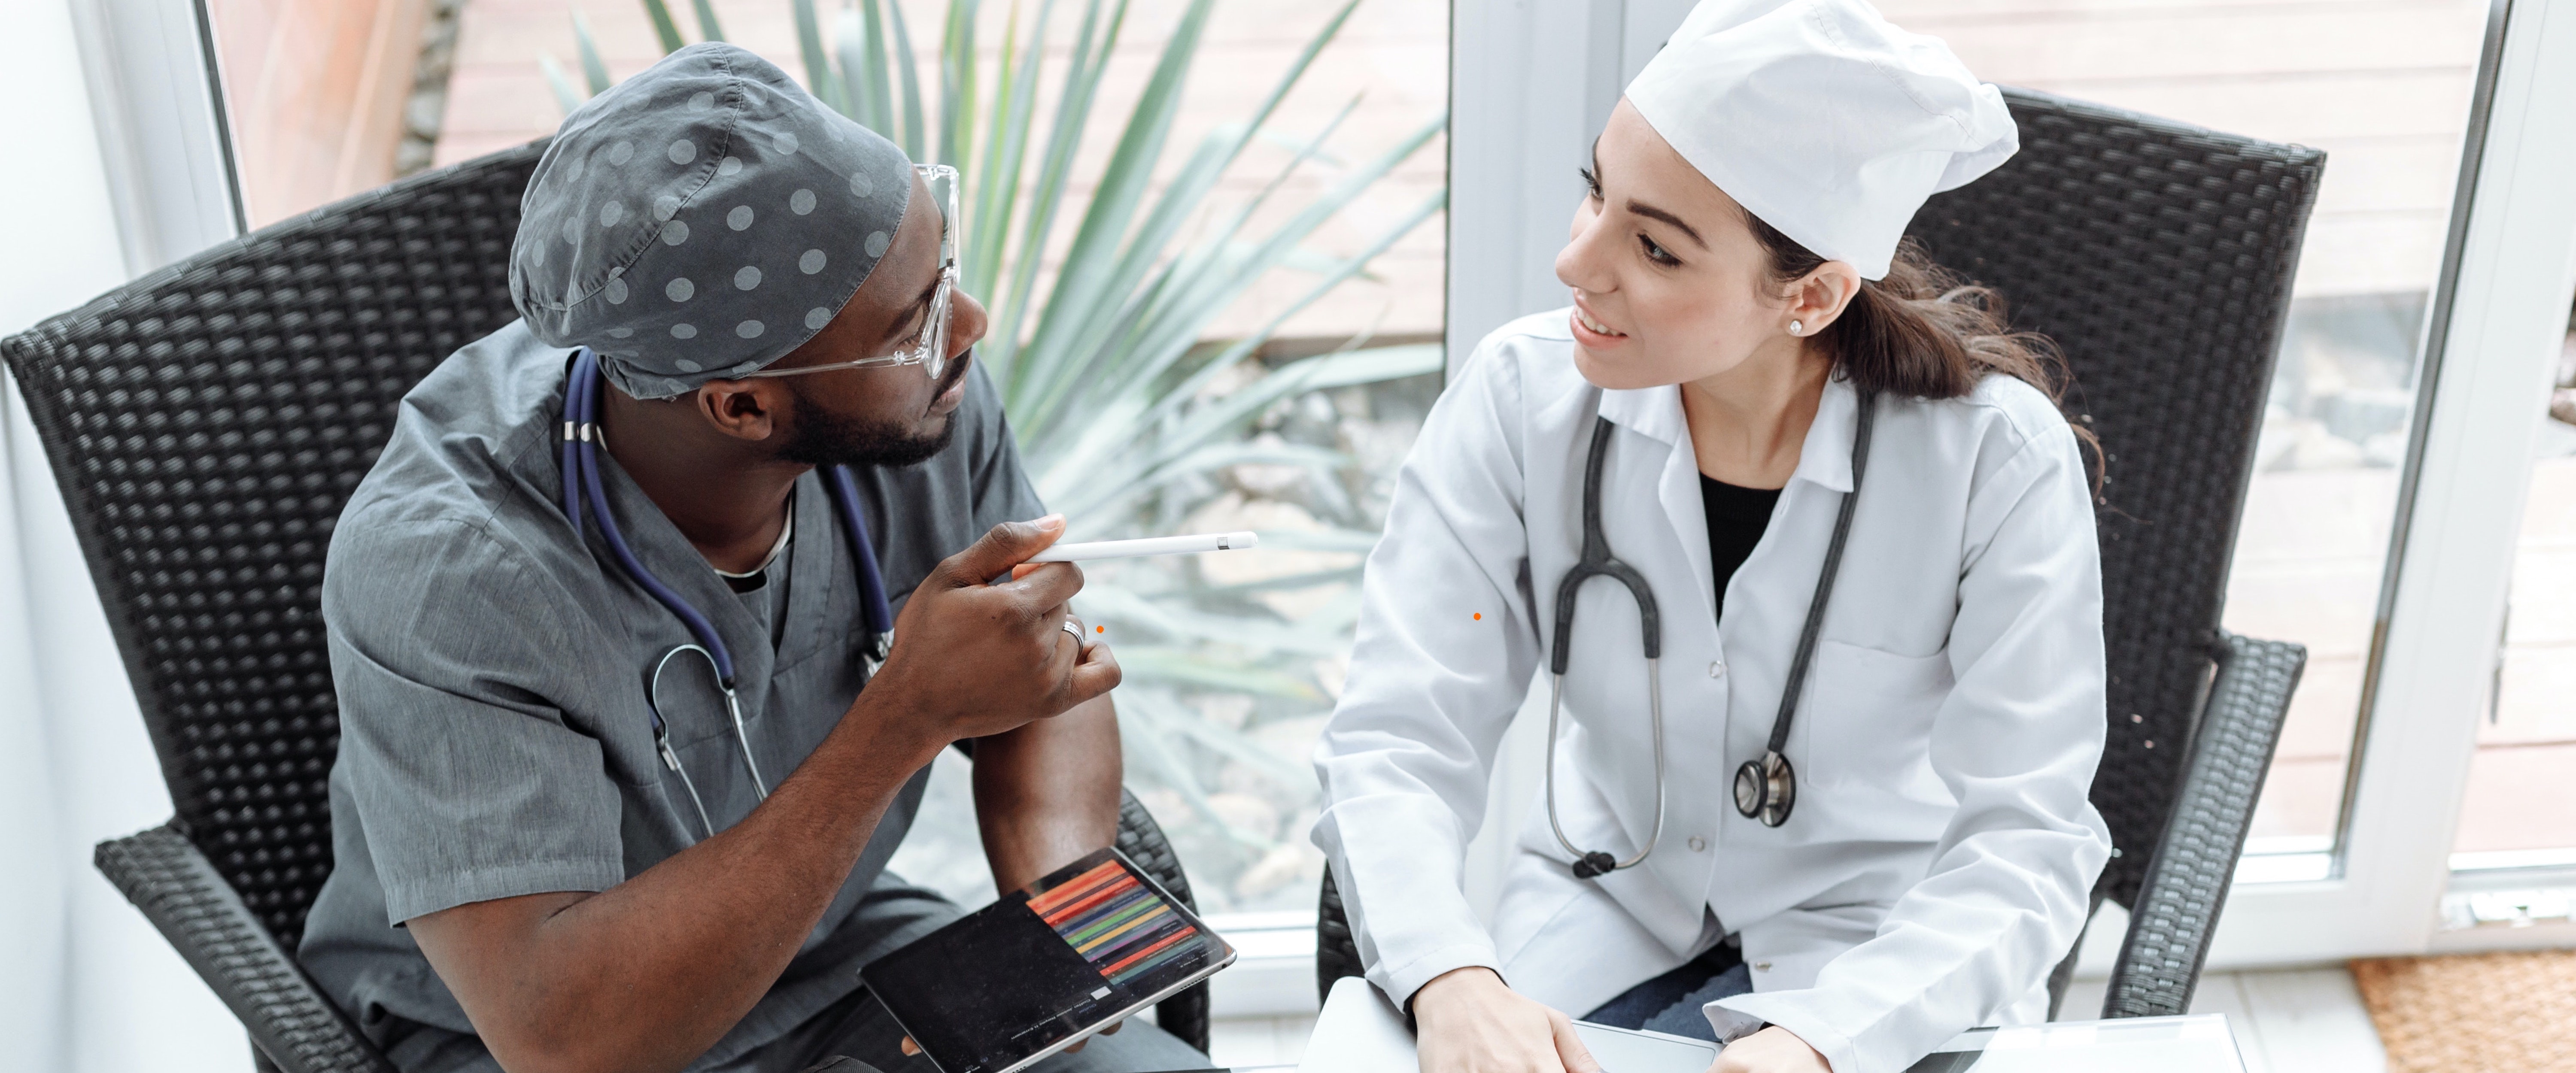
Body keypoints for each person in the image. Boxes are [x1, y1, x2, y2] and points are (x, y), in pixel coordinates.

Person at [295, 44, 1208, 1073]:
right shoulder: (450, 571)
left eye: (941, 266)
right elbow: (565, 1035)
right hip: (530, 1031)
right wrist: (903, 718)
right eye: (915, 319)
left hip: (841, 956)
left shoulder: (917, 396)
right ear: (740, 405)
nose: (966, 325)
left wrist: (1062, 937)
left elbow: (1044, 672)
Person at [1309, 1, 2113, 1071]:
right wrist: (1451, 976)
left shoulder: (1994, 464)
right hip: (1604, 906)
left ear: (1814, 293)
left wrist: (1826, 1042)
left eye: (1653, 247)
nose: (1575, 263)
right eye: (1596, 188)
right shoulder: (1518, 399)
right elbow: (1398, 736)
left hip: (1879, 954)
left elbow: (2030, 840)